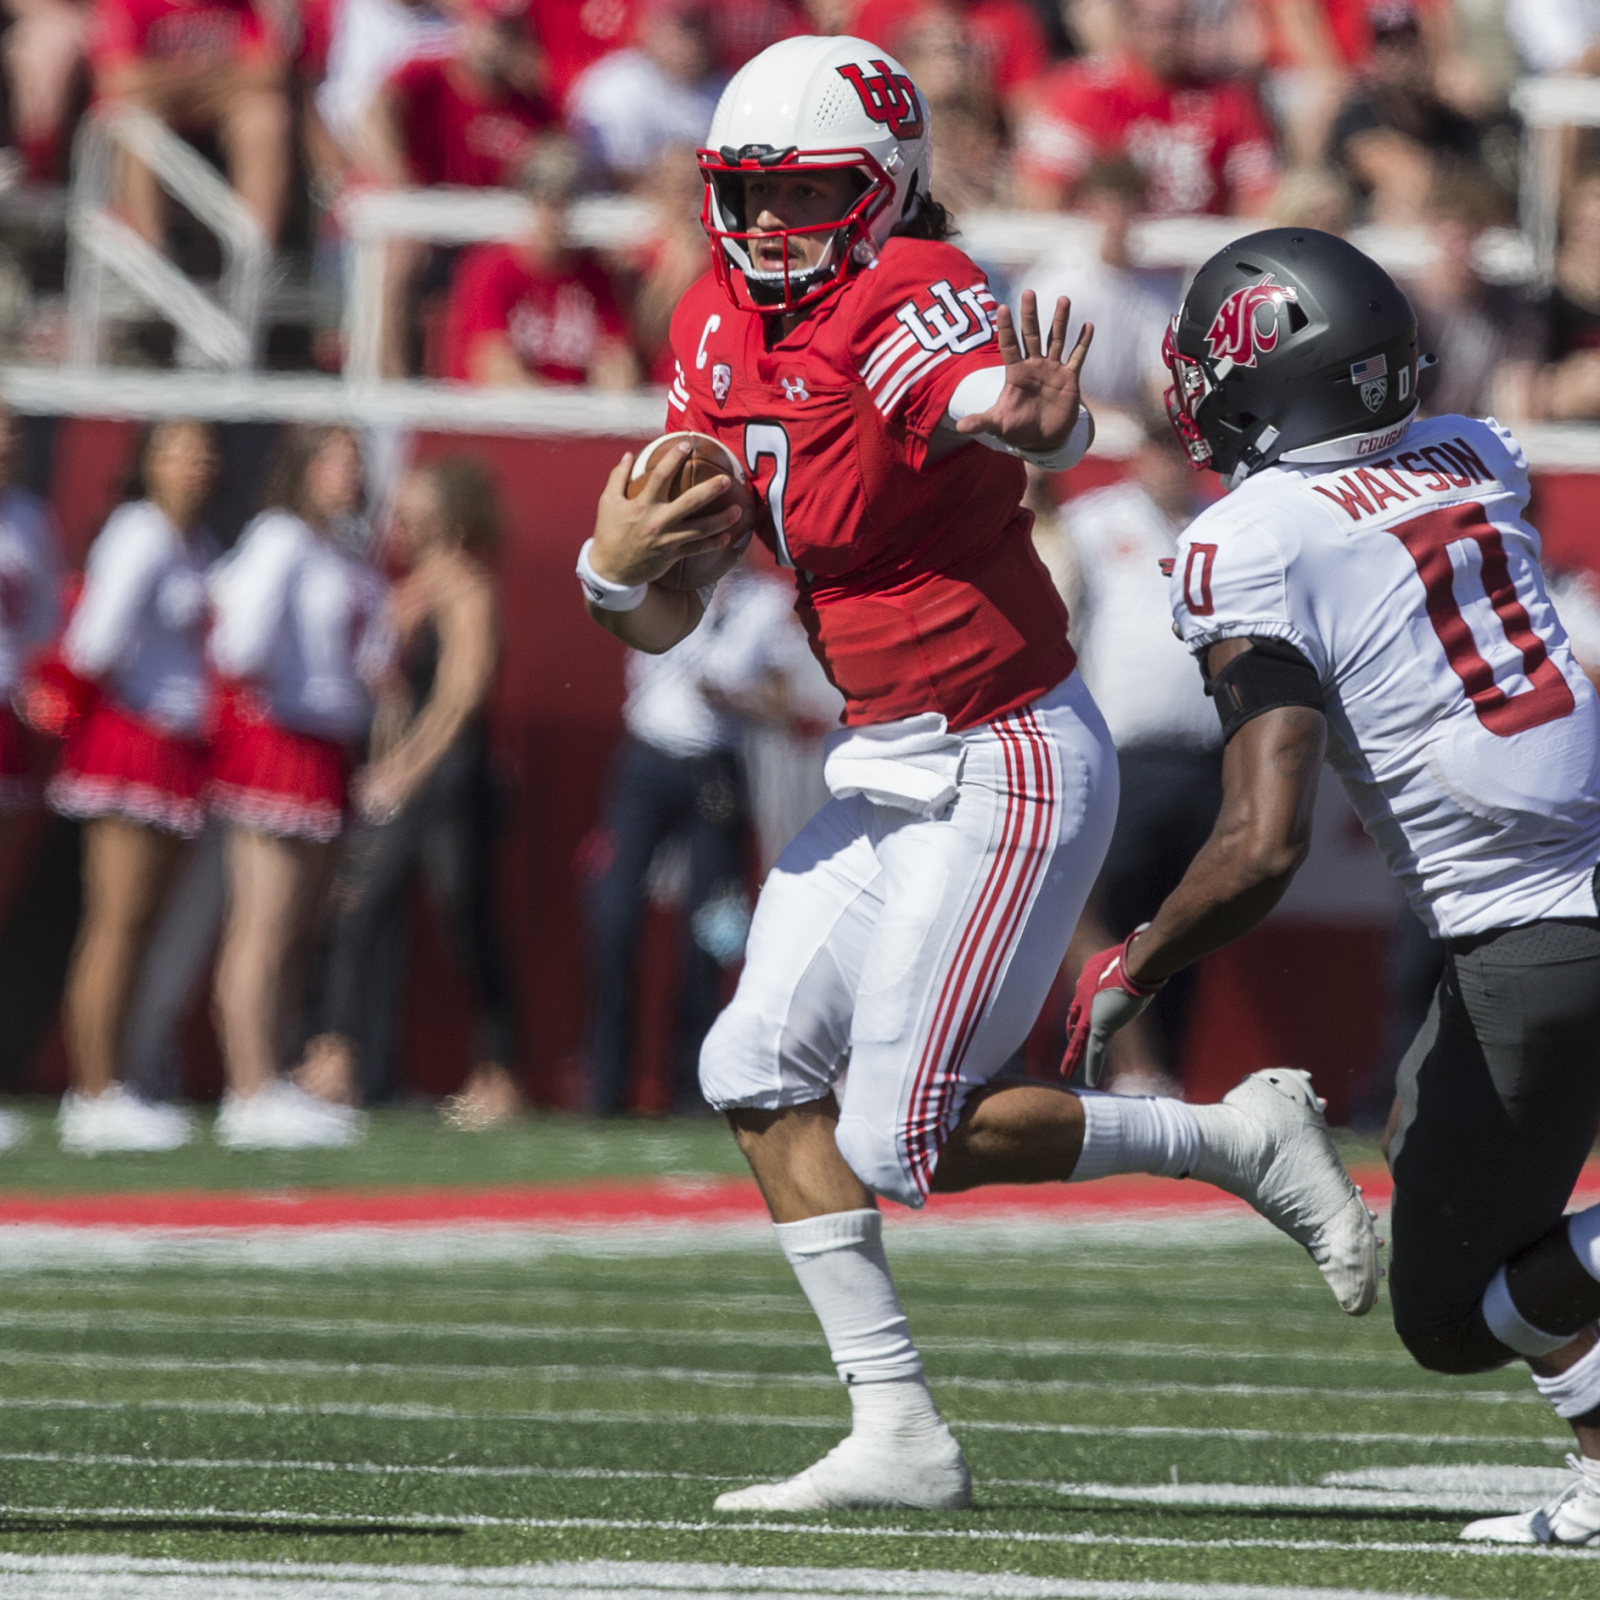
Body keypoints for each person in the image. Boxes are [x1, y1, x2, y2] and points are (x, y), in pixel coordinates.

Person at [578, 34, 1376, 1512]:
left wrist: (1039, 420)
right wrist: (606, 577)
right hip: (883, 760)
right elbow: (669, 603)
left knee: (901, 1134)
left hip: (1005, 747)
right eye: (741, 196)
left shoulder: (906, 290)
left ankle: (1232, 1137)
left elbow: (985, 398)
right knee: (749, 1069)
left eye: (801, 192)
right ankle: (899, 1434)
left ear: (880, 189)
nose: (763, 229)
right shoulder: (709, 326)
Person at [1068, 226, 1600, 1547]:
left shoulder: (1245, 537)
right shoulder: (1475, 454)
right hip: (1552, 896)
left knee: (1450, 1305)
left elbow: (1261, 846)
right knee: (1447, 1179)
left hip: (1535, 925)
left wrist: (1137, 964)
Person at [294, 456, 519, 1126]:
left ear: (448, 515)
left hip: (451, 782)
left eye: (418, 509)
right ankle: (339, 1059)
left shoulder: (468, 588)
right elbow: (395, 694)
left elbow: (459, 699)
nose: (403, 521)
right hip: (408, 779)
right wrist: (385, 757)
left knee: (466, 925)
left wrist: (405, 772)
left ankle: (498, 1074)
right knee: (360, 915)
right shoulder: (409, 589)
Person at [205, 425, 392, 1150]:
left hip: (323, 743)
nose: (349, 471)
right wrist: (282, 690)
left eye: (355, 458)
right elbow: (239, 642)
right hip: (278, 738)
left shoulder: (336, 547)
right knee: (262, 921)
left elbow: (370, 653)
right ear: (303, 467)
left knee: (295, 931)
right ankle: (245, 1089)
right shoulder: (279, 536)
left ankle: (272, 1077)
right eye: (336, 458)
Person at [48, 418, 215, 1154]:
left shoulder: (196, 545)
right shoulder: (139, 533)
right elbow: (95, 641)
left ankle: (122, 1077)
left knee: (143, 925)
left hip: (174, 744)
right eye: (178, 451)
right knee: (115, 921)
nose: (194, 464)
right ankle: (91, 1090)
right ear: (149, 462)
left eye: (204, 451)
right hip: (129, 740)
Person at [583, 566, 793, 1117]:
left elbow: (782, 703)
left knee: (713, 928)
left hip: (715, 772)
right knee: (614, 914)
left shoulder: (766, 602)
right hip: (647, 759)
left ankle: (695, 1085)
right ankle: (607, 1084)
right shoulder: (658, 577)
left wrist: (733, 699)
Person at [1059, 414, 1221, 1092]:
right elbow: (1062, 615)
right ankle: (1117, 1071)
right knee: (1108, 913)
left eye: (1184, 446)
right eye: (1161, 445)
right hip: (1121, 753)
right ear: (1140, 452)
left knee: (1187, 924)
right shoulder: (1095, 521)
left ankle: (1165, 1077)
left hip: (1206, 757)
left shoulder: (1219, 524)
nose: (1172, 460)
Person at [1014, 0, 1279, 217]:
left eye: (1181, 25)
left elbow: (1258, 196)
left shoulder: (1228, 97)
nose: (1170, 39)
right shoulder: (1085, 90)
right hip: (1106, 260)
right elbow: (1042, 195)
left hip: (1199, 253)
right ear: (1131, 27)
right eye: (1160, 26)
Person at [89, 0, 292, 247]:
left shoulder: (240, 6)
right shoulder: (129, 4)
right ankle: (148, 258)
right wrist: (213, 73)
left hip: (214, 116)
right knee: (138, 124)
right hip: (146, 120)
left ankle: (254, 258)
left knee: (266, 117)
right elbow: (118, 79)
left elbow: (270, 74)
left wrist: (172, 78)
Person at [443, 138, 639, 387]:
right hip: (501, 420)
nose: (554, 214)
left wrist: (608, 406)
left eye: (565, 200)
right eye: (544, 200)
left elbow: (616, 360)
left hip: (575, 418)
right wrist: (565, 415)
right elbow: (494, 366)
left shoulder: (595, 274)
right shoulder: (490, 268)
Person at [1014, 157, 1181, 418]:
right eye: (1109, 203)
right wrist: (1116, 420)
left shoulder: (1157, 289)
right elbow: (1044, 383)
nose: (1118, 215)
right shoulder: (1053, 283)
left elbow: (1159, 381)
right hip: (1061, 433)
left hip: (1129, 440)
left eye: (1128, 203)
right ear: (1089, 206)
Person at [566, 0, 722, 187]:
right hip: (620, 210)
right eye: (676, 31)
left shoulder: (726, 88)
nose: (688, 44)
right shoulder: (614, 87)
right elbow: (614, 178)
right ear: (647, 29)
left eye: (697, 29)